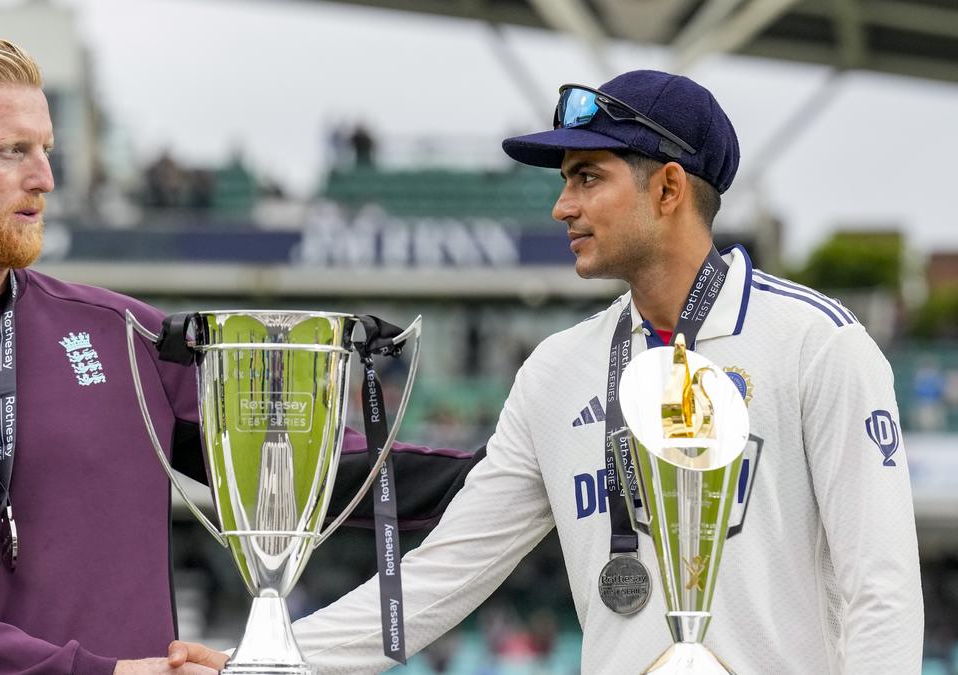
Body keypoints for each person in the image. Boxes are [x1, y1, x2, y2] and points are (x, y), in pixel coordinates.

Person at [0, 34, 480, 675]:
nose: (44, 178)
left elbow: (312, 467)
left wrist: (511, 471)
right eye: (11, 151)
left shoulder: (122, 334)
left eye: (46, 150)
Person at [173, 70, 925, 673]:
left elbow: (882, 590)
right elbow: (442, 574)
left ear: (668, 189)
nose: (563, 205)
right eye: (565, 180)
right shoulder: (558, 369)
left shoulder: (818, 344)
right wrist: (264, 660)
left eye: (588, 177)